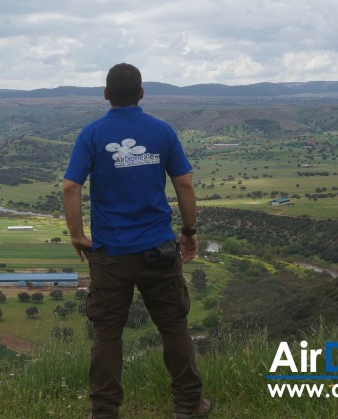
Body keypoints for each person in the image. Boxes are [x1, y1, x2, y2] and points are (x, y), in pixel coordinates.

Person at [62, 63, 212, 419]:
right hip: (158, 250)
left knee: (107, 335)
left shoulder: (92, 133)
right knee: (174, 328)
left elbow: (71, 187)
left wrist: (77, 235)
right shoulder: (161, 131)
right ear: (142, 93)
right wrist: (189, 232)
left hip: (109, 254)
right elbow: (185, 185)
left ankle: (104, 412)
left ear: (106, 94)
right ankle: (189, 406)